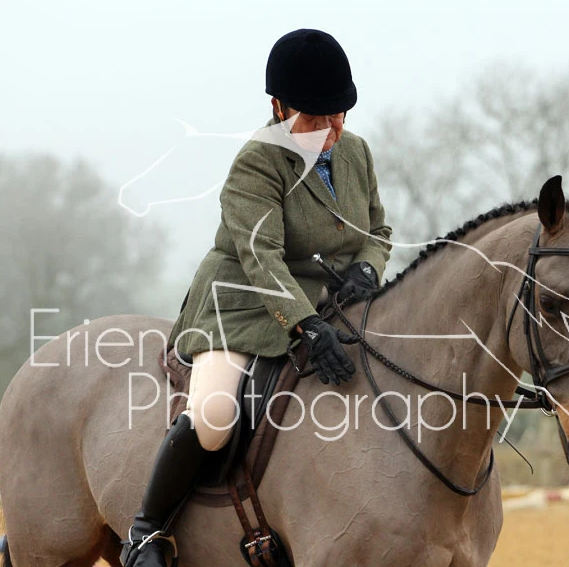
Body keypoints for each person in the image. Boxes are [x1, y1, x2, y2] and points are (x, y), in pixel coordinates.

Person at [120, 29, 392, 566]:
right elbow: (260, 256)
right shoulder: (257, 162)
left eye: (338, 115)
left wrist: (367, 266)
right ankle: (146, 533)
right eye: (315, 119)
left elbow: (378, 231)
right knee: (214, 414)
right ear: (278, 108)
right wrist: (306, 325)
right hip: (242, 301)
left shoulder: (356, 151)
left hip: (330, 299)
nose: (331, 131)